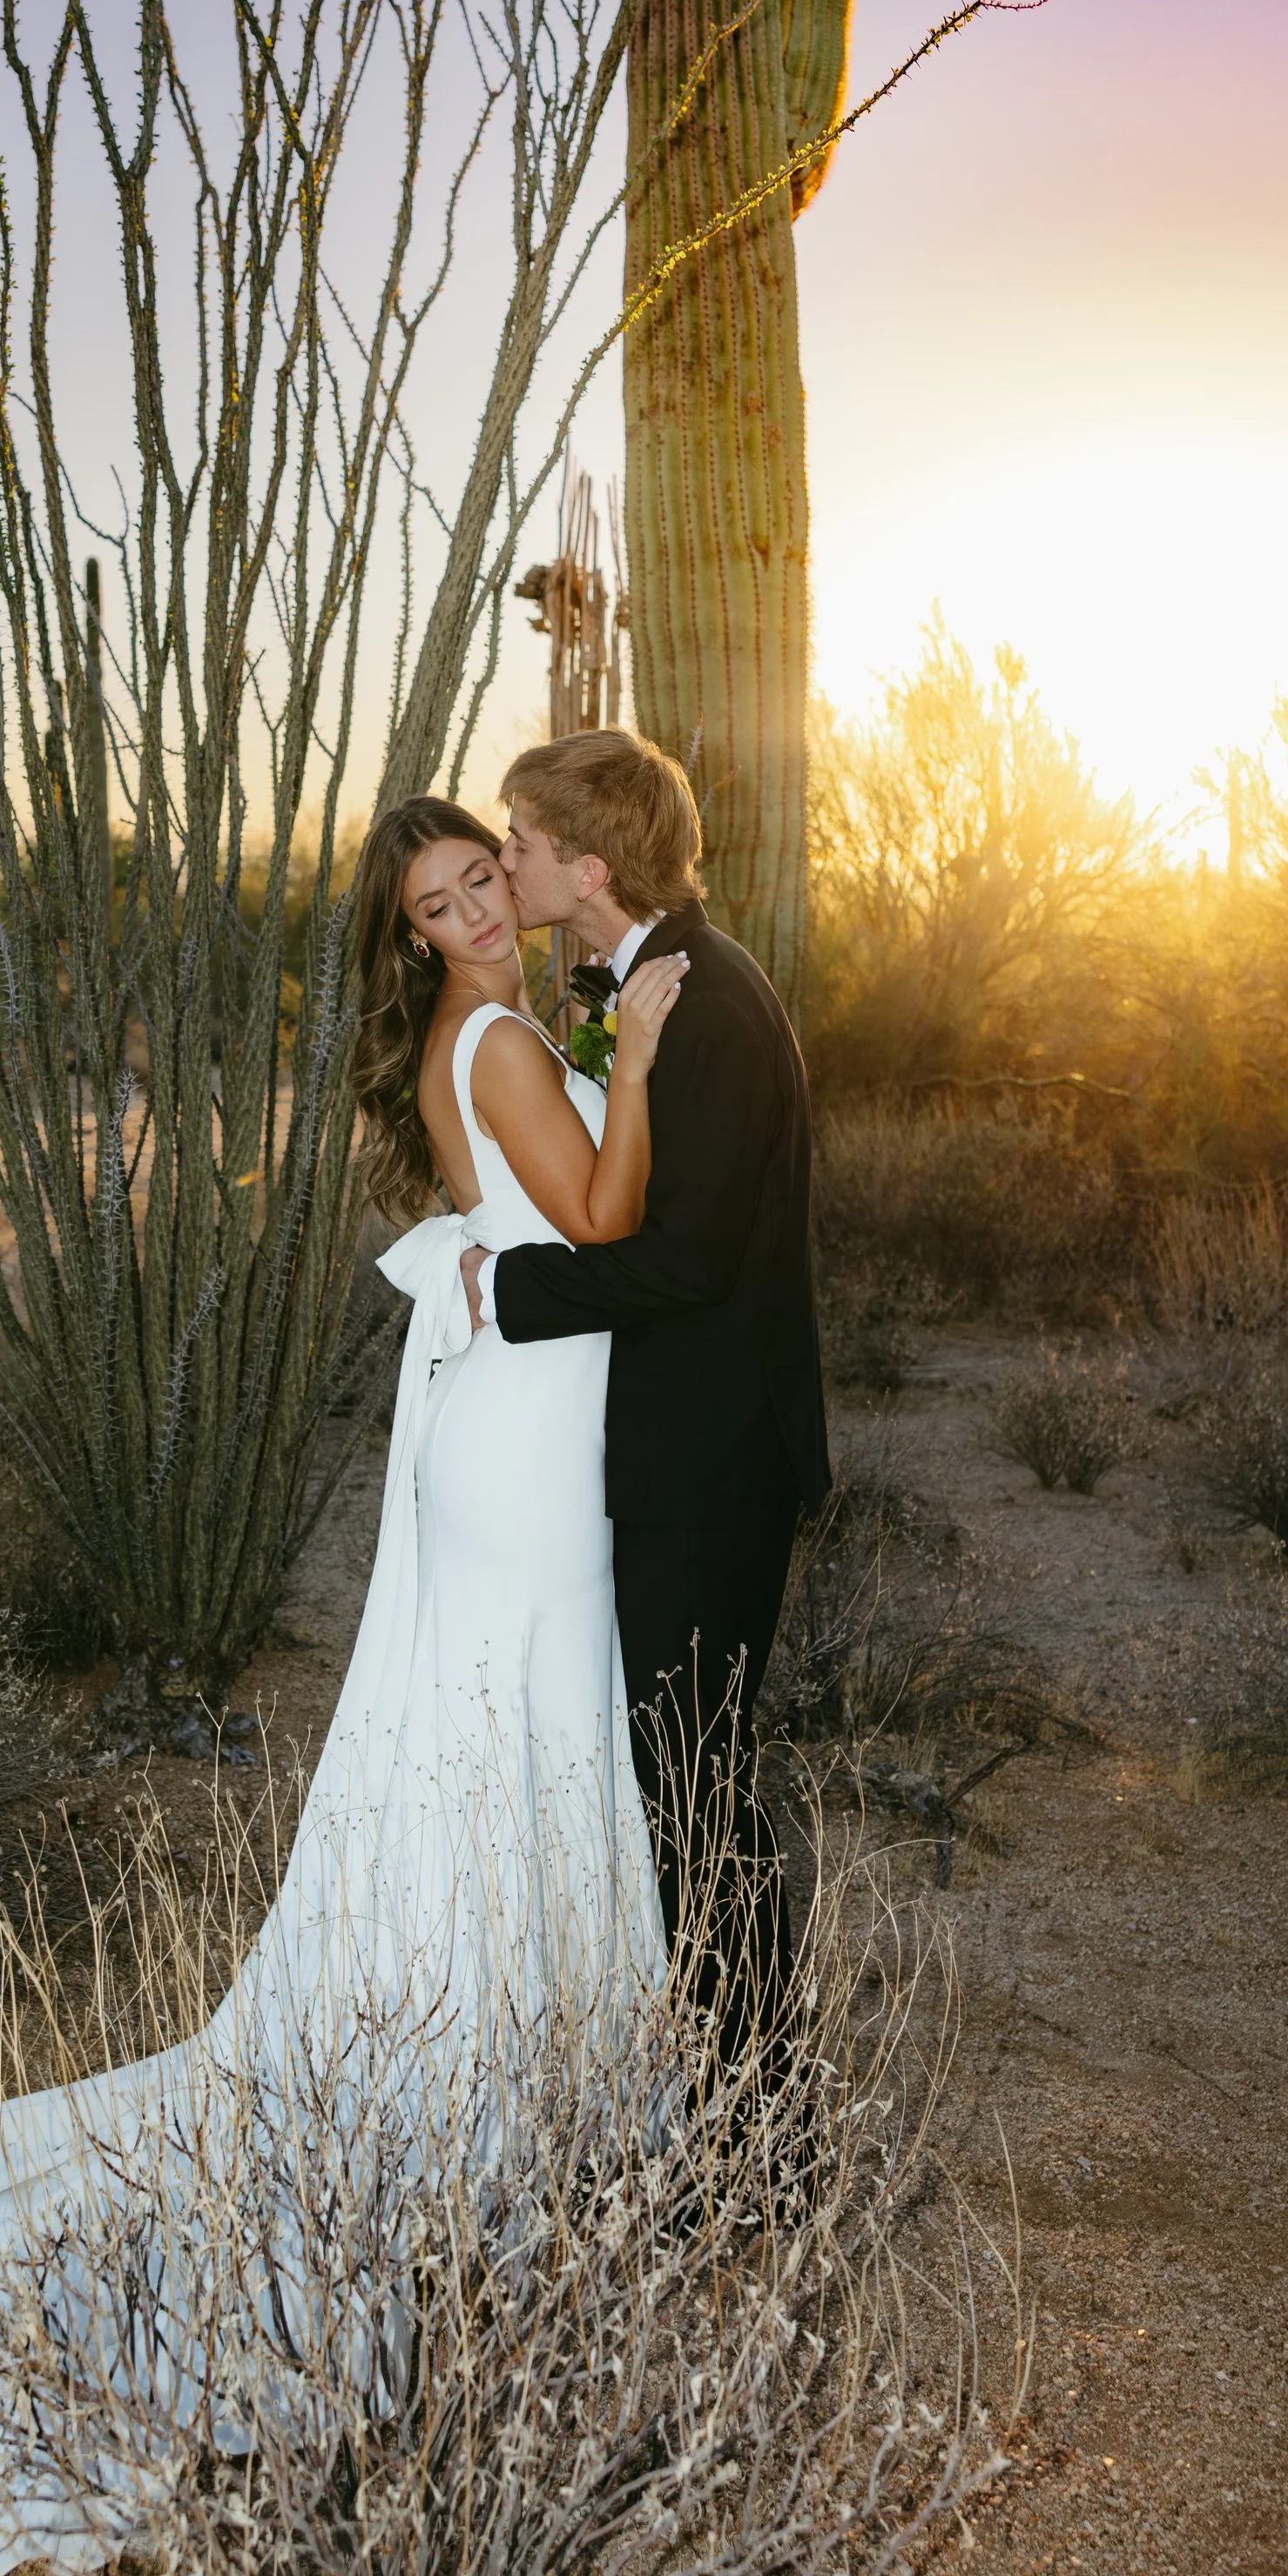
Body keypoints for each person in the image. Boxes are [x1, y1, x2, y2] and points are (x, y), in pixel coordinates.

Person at [0, 794, 687, 2576]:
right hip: (524, 1460)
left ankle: (497, 2077)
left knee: (500, 1739)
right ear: (410, 933)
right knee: (514, 1736)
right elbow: (611, 1212)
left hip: (513, 1432)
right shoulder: (497, 1037)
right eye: (439, 899)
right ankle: (485, 2093)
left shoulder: (464, 1038)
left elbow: (536, 1234)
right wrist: (632, 1046)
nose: (475, 909)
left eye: (485, 877)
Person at [464, 727, 831, 2062]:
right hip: (686, 1451)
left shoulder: (710, 1009)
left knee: (699, 1796)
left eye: (521, 844)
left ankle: (755, 2142)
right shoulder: (655, 981)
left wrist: (509, 1290)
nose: (506, 864)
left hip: (716, 1464)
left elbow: (688, 1263)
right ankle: (726, 2114)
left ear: (591, 867)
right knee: (684, 1789)